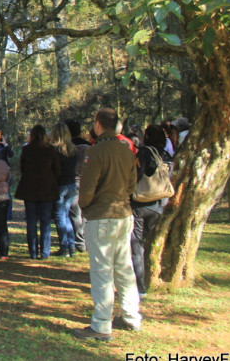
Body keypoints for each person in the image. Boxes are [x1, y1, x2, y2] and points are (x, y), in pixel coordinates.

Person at [73, 107, 141, 341]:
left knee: (102, 270)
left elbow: (87, 187)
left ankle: (102, 324)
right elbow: (133, 184)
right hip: (124, 213)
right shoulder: (126, 150)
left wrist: (86, 206)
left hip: (101, 215)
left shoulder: (97, 151)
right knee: (124, 266)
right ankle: (131, 316)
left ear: (98, 125)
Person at [130, 124, 170, 299]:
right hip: (160, 202)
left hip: (140, 202)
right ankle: (150, 275)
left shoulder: (145, 152)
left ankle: (140, 285)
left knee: (136, 244)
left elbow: (137, 175)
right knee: (149, 241)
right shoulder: (167, 154)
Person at [15, 125, 60, 259]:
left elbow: (22, 167)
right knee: (45, 222)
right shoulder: (50, 150)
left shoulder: (26, 149)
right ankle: (45, 252)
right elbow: (57, 169)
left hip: (30, 188)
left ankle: (33, 252)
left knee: (31, 221)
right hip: (46, 189)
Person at [53, 122, 79, 257]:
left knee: (59, 216)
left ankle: (64, 247)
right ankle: (71, 245)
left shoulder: (55, 150)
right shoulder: (73, 149)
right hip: (71, 184)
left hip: (61, 185)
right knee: (66, 215)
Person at [66, 119, 90, 253]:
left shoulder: (67, 146)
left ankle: (79, 242)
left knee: (75, 213)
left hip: (73, 180)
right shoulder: (89, 145)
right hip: (87, 181)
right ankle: (85, 240)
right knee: (85, 211)